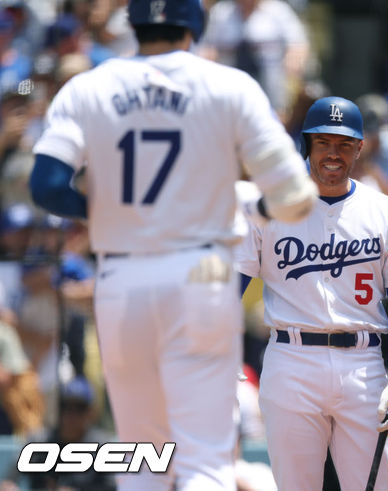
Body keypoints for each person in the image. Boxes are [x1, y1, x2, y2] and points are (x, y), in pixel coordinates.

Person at [28, 0, 317, 489]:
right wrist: (255, 208)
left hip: (120, 278)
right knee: (204, 459)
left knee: (142, 459)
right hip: (198, 275)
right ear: (196, 24)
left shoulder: (88, 87)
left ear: (134, 25)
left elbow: (47, 184)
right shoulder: (229, 85)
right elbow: (294, 197)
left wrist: (108, 210)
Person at [235, 96, 388, 490]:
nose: (332, 153)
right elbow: (230, 291)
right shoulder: (269, 208)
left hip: (364, 364)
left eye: (344, 144)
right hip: (291, 358)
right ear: (306, 144)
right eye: (323, 142)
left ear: (360, 148)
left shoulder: (386, 211)